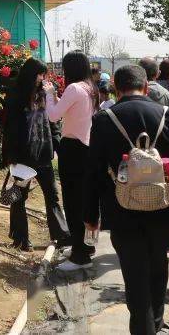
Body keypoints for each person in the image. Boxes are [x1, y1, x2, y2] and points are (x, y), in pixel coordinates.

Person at [83, 65, 169, 335]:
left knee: (134, 274)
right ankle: (154, 324)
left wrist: (90, 215)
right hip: (162, 207)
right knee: (158, 266)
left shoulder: (104, 119)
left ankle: (143, 328)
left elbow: (93, 172)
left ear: (115, 87)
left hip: (121, 208)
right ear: (147, 87)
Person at [3, 58, 70, 251]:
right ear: (30, 74)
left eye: (44, 74)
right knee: (18, 197)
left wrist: (57, 144)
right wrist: (11, 156)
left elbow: (53, 121)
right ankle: (21, 239)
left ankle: (62, 236)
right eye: (39, 74)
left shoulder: (44, 93)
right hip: (23, 157)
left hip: (43, 154)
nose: (42, 78)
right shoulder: (16, 95)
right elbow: (10, 129)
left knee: (52, 195)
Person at [44, 51, 99, 271]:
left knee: (73, 202)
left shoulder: (74, 88)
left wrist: (49, 94)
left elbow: (53, 116)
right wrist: (57, 99)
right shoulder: (89, 88)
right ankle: (86, 246)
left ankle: (79, 256)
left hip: (73, 149)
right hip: (86, 148)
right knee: (84, 201)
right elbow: (69, 111)